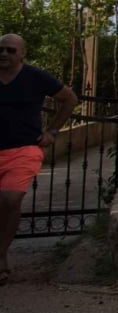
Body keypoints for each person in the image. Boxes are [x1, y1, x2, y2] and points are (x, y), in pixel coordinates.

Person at [0, 33, 77, 284]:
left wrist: (53, 131)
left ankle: (1, 255)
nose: (4, 54)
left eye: (11, 50)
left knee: (10, 199)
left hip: (24, 148)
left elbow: (69, 99)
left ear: (22, 53)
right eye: (1, 49)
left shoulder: (35, 77)